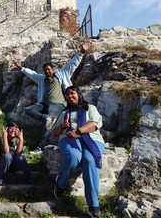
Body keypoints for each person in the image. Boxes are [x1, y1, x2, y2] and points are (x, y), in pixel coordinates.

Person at [13, 39, 92, 155]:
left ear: (53, 69)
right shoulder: (41, 78)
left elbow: (73, 64)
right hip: (43, 104)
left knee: (47, 125)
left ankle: (40, 148)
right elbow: (31, 74)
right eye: (45, 70)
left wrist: (81, 51)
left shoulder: (61, 74)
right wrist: (20, 68)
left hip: (57, 105)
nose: (47, 71)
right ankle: (46, 118)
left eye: (49, 69)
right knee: (28, 110)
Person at [52, 86, 105, 218]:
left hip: (91, 138)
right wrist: (63, 126)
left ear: (78, 94)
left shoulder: (90, 108)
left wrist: (78, 131)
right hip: (69, 138)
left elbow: (95, 123)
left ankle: (93, 206)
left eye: (72, 93)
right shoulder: (64, 113)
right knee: (72, 155)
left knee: (90, 160)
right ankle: (61, 184)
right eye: (67, 95)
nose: (69, 96)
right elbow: (55, 133)